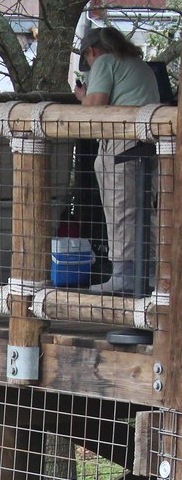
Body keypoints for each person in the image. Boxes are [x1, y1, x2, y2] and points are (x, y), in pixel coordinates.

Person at [73, 26, 160, 295]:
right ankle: (152, 275)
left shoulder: (105, 62)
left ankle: (123, 275)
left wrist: (82, 97)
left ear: (92, 51)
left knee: (119, 207)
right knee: (145, 210)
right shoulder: (139, 65)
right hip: (149, 144)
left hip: (121, 142)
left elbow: (96, 105)